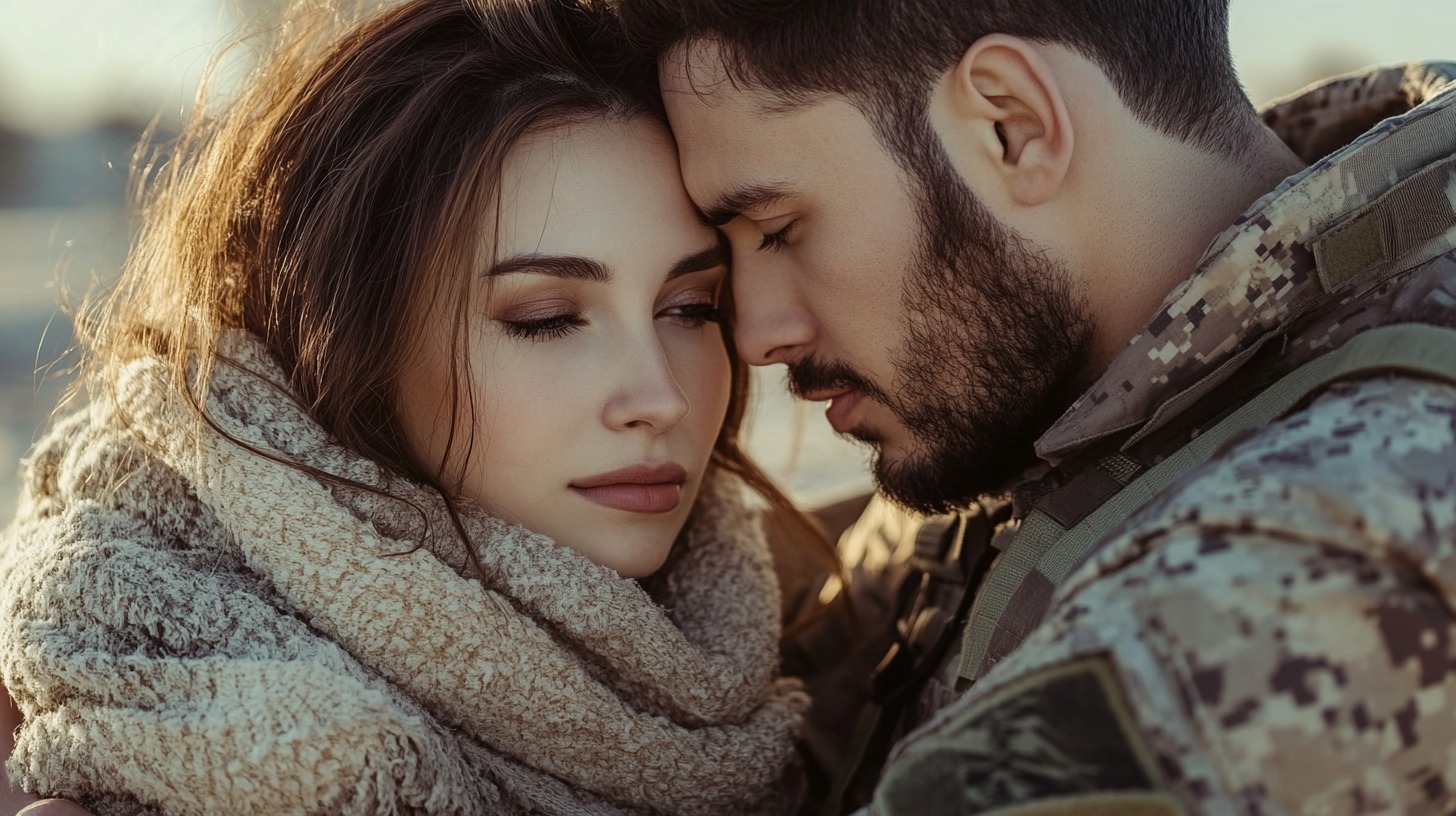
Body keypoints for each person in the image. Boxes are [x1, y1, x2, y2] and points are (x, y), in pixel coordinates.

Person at [610, 0, 1456, 813]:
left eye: (780, 229)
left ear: (1012, 125)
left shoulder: (1335, 547)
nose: (754, 335)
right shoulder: (1038, 409)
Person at [0, 0, 840, 813]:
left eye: (691, 308)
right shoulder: (198, 715)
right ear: (352, 345)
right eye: (546, 320)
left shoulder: (802, 625)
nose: (661, 397)